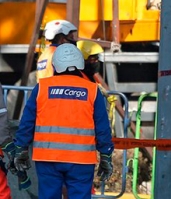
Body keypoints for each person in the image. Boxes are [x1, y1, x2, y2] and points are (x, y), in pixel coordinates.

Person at [13, 44, 114, 199]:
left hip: (47, 158)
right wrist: (106, 155)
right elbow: (102, 127)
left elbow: (27, 122)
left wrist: (21, 149)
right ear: (80, 64)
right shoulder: (92, 90)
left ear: (55, 65)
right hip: (81, 160)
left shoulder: (42, 88)